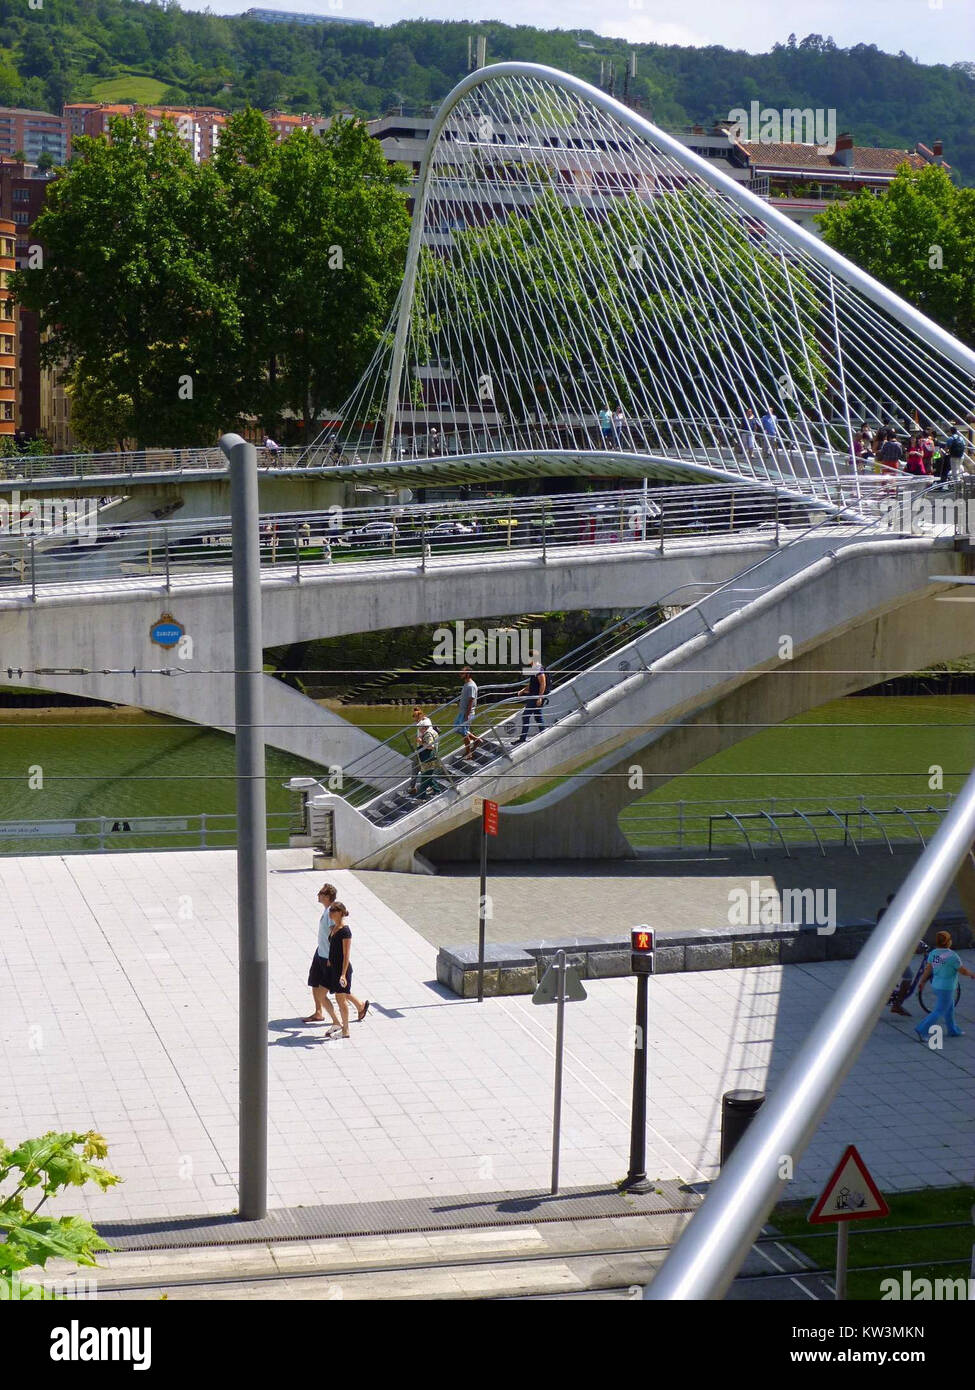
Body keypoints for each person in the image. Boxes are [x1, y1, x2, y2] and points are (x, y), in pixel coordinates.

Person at [303, 884, 369, 1026]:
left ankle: (352, 1011)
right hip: (320, 952)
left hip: (327, 957)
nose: (318, 895)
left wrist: (333, 957)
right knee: (316, 982)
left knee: (336, 988)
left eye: (320, 893)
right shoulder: (328, 910)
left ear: (327, 896)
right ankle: (319, 1012)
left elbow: (336, 934)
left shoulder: (331, 913)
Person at [914, 931, 973, 1042]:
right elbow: (963, 971)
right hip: (946, 987)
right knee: (939, 1010)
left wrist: (922, 982)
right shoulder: (952, 956)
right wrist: (972, 974)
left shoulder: (934, 954)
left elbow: (928, 969)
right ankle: (922, 1029)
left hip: (936, 985)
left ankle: (953, 1030)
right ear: (948, 942)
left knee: (949, 1007)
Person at [323, 901, 357, 1039]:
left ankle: (346, 1028)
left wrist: (343, 974)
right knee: (337, 997)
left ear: (340, 913)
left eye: (333, 911)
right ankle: (341, 1025)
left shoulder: (345, 931)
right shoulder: (334, 928)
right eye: (330, 911)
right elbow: (333, 947)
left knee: (341, 999)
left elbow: (346, 954)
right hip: (333, 968)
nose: (330, 914)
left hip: (342, 969)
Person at [409, 705, 446, 797]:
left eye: (416, 719)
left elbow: (430, 746)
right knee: (422, 772)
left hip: (426, 753)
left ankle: (421, 792)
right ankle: (430, 789)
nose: (416, 722)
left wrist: (421, 742)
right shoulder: (424, 723)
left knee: (422, 772)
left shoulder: (425, 725)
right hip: (422, 751)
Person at [516, 651, 547, 743]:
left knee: (525, 716)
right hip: (533, 695)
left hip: (535, 696)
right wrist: (523, 690)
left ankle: (522, 739)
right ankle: (544, 733)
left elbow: (543, 683)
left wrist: (540, 697)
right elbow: (533, 683)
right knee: (538, 717)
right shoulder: (534, 668)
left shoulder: (538, 668)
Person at [454, 665, 483, 758]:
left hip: (467, 713)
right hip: (462, 712)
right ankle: (476, 740)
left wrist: (467, 714)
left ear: (468, 674)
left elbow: (471, 700)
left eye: (462, 673)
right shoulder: (466, 684)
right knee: (457, 728)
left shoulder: (471, 686)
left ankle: (468, 752)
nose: (460, 674)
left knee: (464, 732)